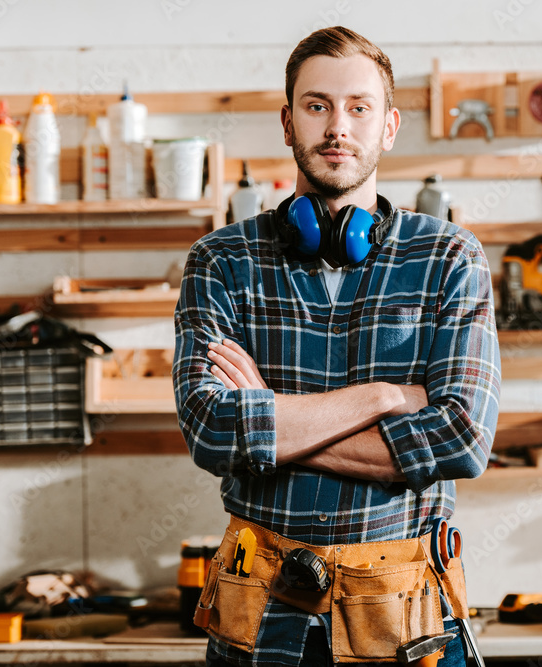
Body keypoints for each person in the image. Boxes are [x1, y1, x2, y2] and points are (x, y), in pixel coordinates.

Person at [173, 25, 501, 667]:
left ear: (389, 125)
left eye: (359, 107)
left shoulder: (448, 258)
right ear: (288, 121)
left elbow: (462, 440)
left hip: (406, 623)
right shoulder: (221, 260)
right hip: (261, 620)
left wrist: (268, 414)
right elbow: (213, 433)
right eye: (317, 105)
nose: (337, 128)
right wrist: (383, 398)